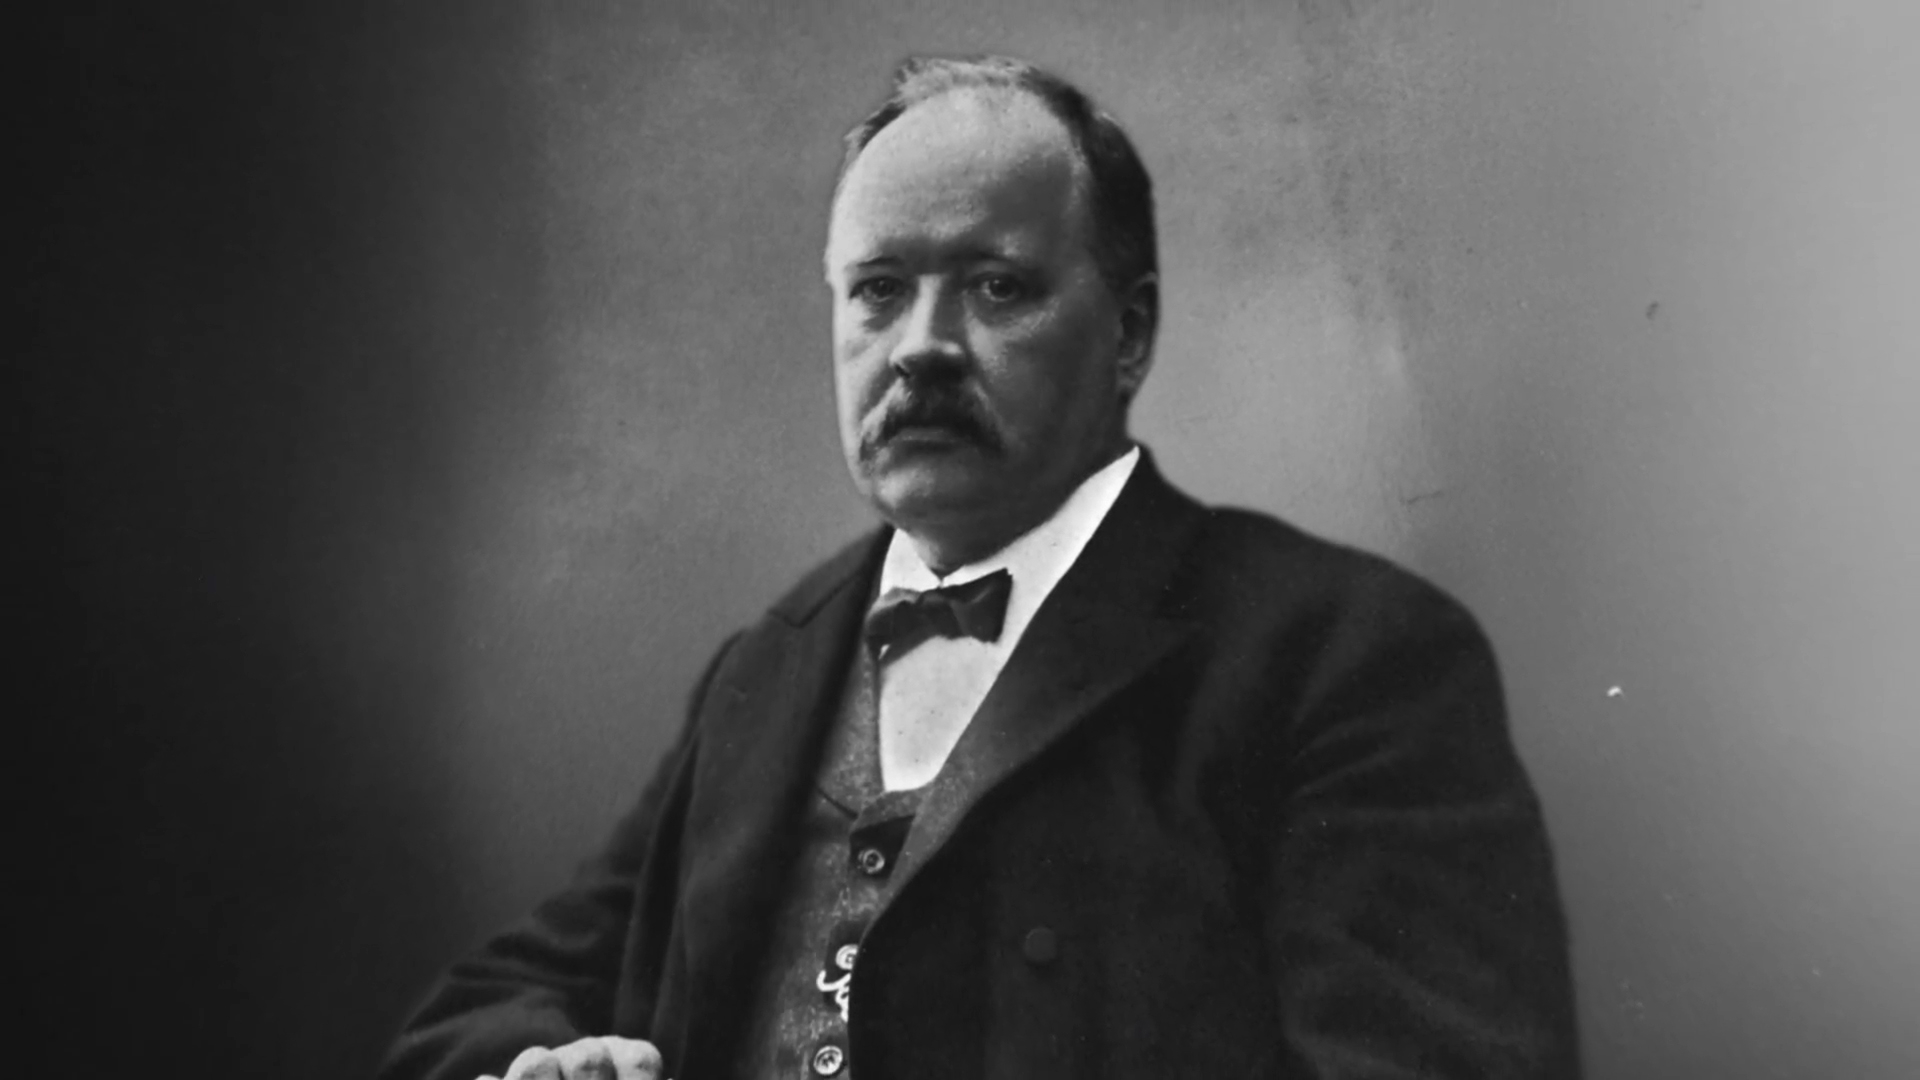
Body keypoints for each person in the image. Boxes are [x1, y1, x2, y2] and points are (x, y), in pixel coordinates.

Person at [380, 55, 1581, 1080]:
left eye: (997, 287)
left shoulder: (1345, 658)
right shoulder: (762, 671)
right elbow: (498, 996)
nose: (923, 349)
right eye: (878, 291)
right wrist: (545, 1066)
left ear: (1130, 332)